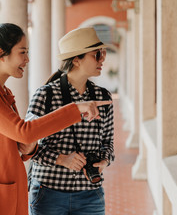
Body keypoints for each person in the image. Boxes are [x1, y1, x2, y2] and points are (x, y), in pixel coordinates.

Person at [0, 21, 111, 215]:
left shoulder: (2, 93)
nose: (27, 59)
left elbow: (20, 142)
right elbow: (24, 131)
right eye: (22, 52)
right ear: (0, 55)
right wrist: (75, 109)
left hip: (8, 189)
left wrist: (29, 148)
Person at [27, 27, 115, 215]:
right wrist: (61, 159)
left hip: (90, 194)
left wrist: (105, 160)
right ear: (76, 60)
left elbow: (108, 143)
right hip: (48, 192)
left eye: (103, 53)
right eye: (97, 54)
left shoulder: (103, 97)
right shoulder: (46, 95)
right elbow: (26, 144)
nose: (102, 59)